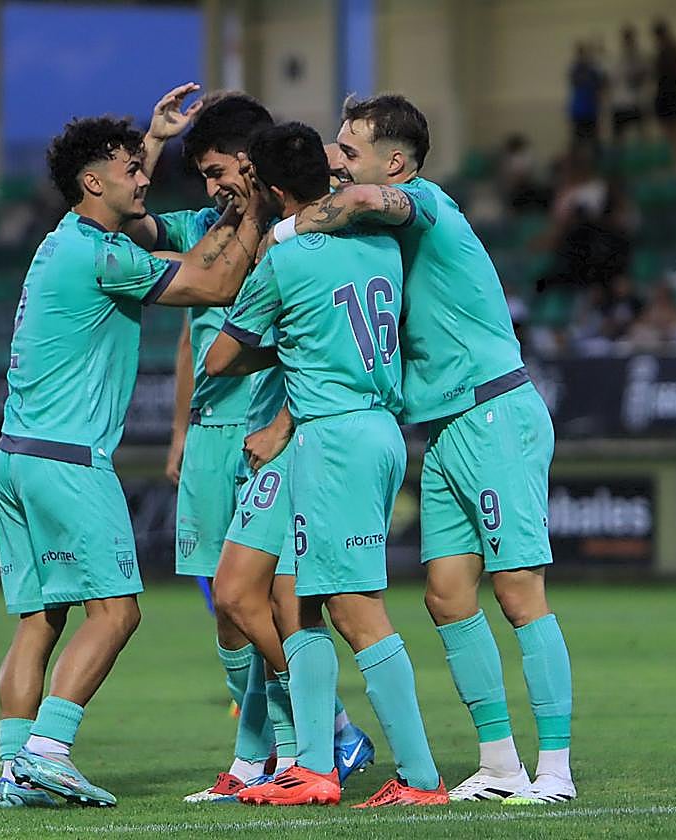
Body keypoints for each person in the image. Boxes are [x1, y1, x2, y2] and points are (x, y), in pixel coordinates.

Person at [270, 94, 575, 804]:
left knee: (520, 591)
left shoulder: (423, 203)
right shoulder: (377, 243)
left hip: (494, 412)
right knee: (444, 597)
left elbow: (361, 202)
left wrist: (281, 234)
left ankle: (554, 769)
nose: (335, 164)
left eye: (349, 151)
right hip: (443, 429)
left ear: (395, 163)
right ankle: (500, 765)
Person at [0, 113, 271, 809]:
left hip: (15, 455)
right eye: (131, 168)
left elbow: (152, 226)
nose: (145, 176)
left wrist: (149, 138)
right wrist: (256, 207)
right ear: (93, 182)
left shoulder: (62, 245)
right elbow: (213, 285)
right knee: (116, 615)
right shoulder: (99, 255)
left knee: (39, 622)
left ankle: (12, 769)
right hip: (69, 461)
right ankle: (48, 753)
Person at [132, 91, 373, 802]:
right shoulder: (207, 228)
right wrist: (150, 142)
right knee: (231, 617)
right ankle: (272, 754)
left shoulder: (303, 227)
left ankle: (308, 744)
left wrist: (289, 422)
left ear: (248, 162)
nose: (209, 189)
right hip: (211, 439)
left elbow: (322, 344)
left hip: (270, 440)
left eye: (215, 172)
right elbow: (135, 230)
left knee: (274, 602)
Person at [206, 122, 449, 809]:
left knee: (356, 610)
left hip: (334, 435)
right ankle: (312, 765)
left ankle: (422, 777)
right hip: (368, 427)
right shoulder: (379, 242)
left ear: (275, 189)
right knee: (299, 602)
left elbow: (220, 359)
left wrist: (281, 338)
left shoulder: (284, 263)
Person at [652, 18, 676, 159]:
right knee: (671, 131)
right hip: (669, 91)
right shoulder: (670, 50)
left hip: (671, 91)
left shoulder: (672, 50)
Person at [609, 25, 649, 142]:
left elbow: (645, 77)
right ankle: (619, 158)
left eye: (630, 37)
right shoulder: (617, 58)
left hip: (637, 102)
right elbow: (612, 80)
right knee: (618, 138)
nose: (628, 40)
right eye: (626, 37)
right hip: (620, 103)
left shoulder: (641, 57)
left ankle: (645, 157)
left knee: (642, 135)